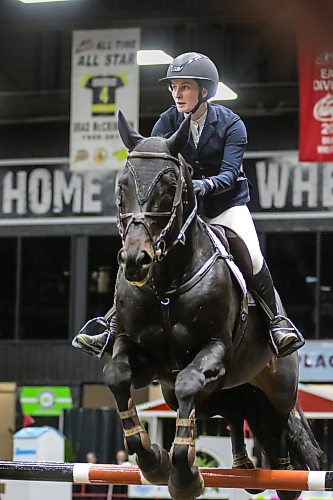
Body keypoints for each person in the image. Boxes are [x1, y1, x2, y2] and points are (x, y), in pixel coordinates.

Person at [74, 51, 304, 359]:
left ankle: (277, 323)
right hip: (181, 211)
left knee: (253, 255)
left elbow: (230, 173)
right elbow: (154, 168)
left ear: (204, 91)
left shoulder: (231, 124)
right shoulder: (166, 122)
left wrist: (202, 185)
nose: (177, 93)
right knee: (143, 250)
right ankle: (112, 322)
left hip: (225, 205)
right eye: (173, 87)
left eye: (185, 86)